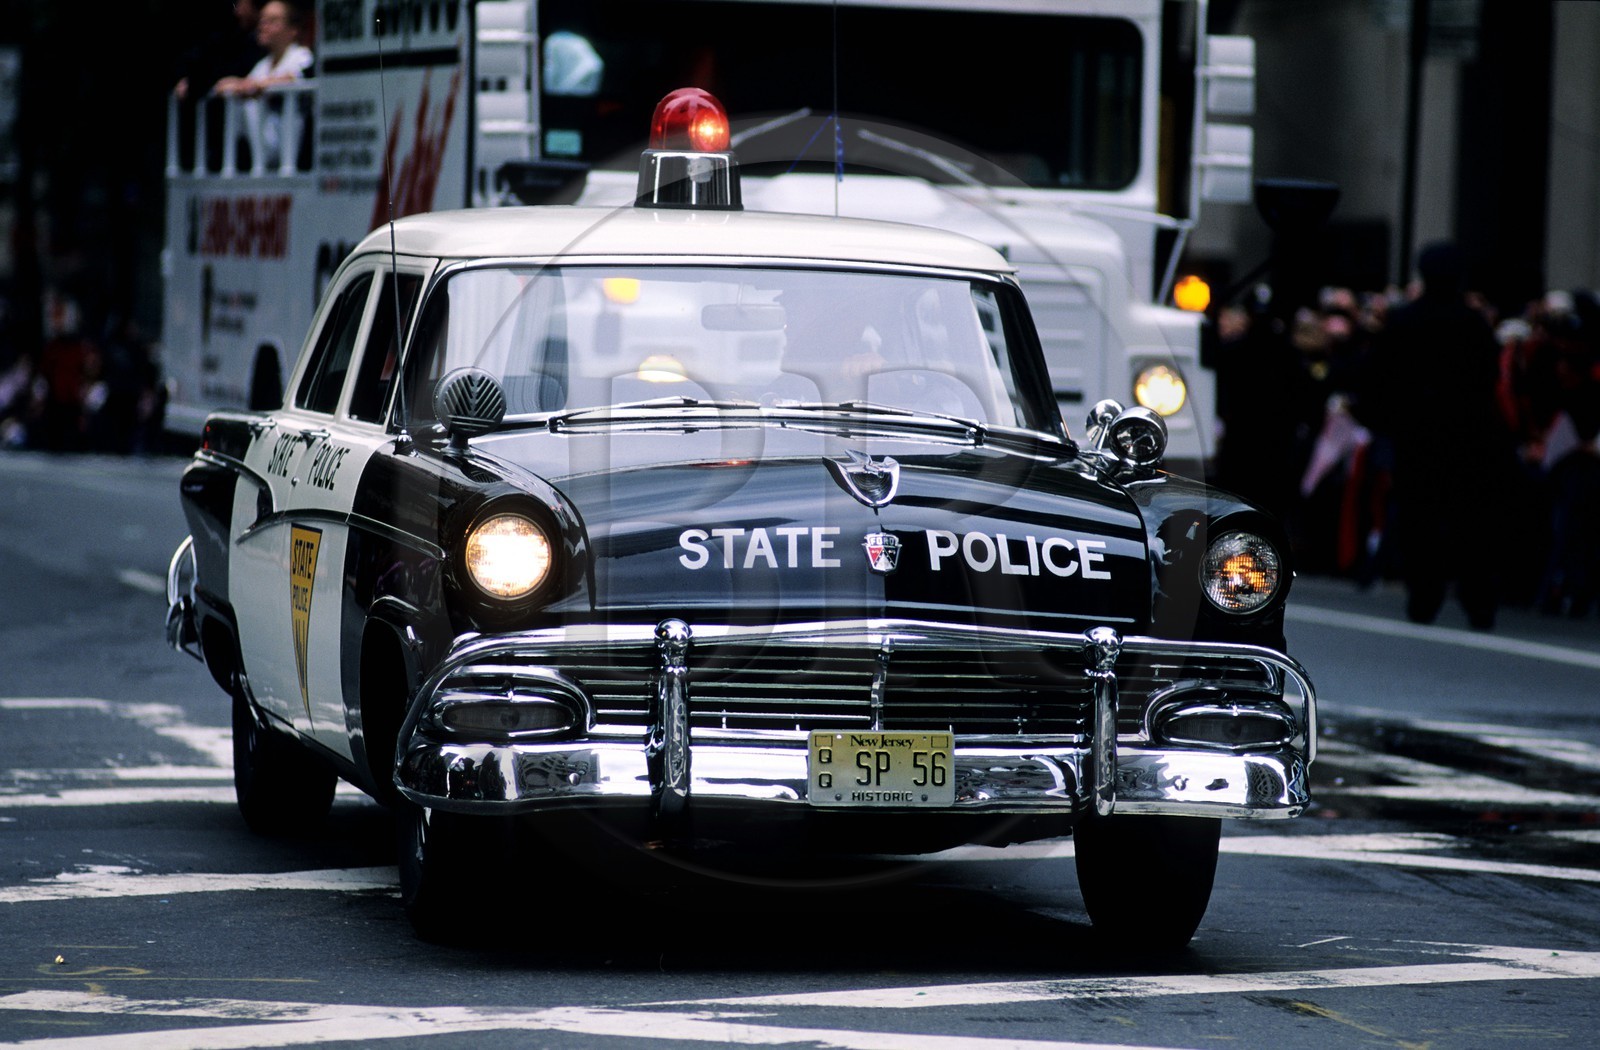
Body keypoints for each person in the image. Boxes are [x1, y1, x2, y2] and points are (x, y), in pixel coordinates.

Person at [1367, 243, 1513, 629]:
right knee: (1472, 525)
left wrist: (1390, 427)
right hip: (1469, 441)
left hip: (1417, 441)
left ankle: (1424, 597)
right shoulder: (1475, 325)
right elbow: (1489, 382)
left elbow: (1380, 384)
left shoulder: (1402, 323)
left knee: (1420, 522)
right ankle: (1479, 601)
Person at [215, 0, 313, 171]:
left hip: (294, 155)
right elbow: (229, 86)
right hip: (261, 156)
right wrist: (242, 85)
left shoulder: (301, 56)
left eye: (273, 21)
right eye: (262, 21)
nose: (263, 26)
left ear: (293, 30)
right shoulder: (262, 65)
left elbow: (292, 77)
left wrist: (256, 86)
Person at [172, 1, 265, 171]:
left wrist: (238, 83)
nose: (237, 12)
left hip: (255, 140)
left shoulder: (255, 45)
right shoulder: (228, 35)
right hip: (232, 135)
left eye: (242, 4)